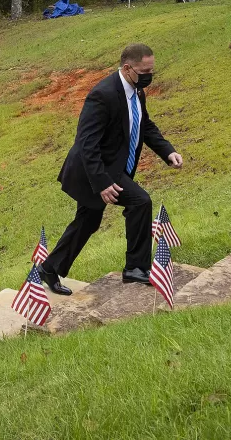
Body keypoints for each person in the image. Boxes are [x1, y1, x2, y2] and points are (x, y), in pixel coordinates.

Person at [40, 43, 183, 294]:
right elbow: (87, 143)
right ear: (127, 68)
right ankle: (135, 268)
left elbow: (144, 125)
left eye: (152, 71)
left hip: (111, 167)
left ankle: (49, 268)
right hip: (94, 171)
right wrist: (103, 182)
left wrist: (167, 151)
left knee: (87, 221)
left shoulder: (137, 90)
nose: (148, 77)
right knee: (140, 202)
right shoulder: (103, 94)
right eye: (144, 71)